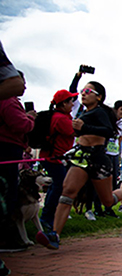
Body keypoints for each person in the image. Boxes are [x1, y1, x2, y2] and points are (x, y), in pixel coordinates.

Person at [36, 81, 122, 250]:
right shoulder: (82, 112)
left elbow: (109, 132)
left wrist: (85, 127)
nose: (83, 94)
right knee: (67, 192)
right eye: (82, 91)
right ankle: (54, 235)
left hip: (98, 158)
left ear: (99, 96)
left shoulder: (100, 112)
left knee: (107, 201)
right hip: (81, 157)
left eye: (87, 91)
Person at [0, 50, 34, 255]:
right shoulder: (8, 100)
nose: (23, 86)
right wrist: (30, 119)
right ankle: (6, 236)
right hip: (6, 148)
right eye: (21, 80)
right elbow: (19, 124)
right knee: (8, 190)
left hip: (12, 147)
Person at [39, 90, 77, 230]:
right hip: (54, 158)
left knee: (57, 186)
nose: (73, 104)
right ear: (63, 104)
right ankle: (47, 217)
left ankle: (49, 216)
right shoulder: (60, 119)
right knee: (59, 186)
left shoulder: (63, 117)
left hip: (55, 157)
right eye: (70, 101)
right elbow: (74, 131)